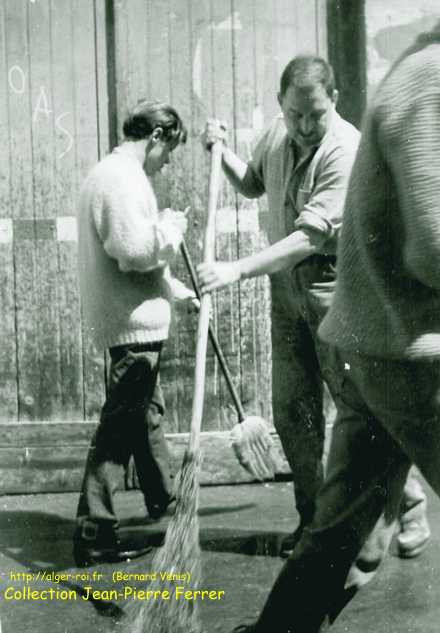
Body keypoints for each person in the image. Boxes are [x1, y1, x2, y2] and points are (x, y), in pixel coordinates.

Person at [226, 24, 440, 632]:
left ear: (333, 101)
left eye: (311, 114)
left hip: (373, 336)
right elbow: (433, 246)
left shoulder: (375, 113)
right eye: (293, 114)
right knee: (331, 479)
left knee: (340, 520)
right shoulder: (432, 82)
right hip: (404, 345)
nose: (301, 125)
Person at [74, 100, 195, 566]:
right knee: (122, 426)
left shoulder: (108, 173)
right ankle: (95, 529)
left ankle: (164, 503)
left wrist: (175, 290)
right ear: (158, 136)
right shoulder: (122, 178)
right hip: (132, 325)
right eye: (170, 150)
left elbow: (131, 261)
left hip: (129, 317)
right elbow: (132, 250)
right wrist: (171, 230)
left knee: (146, 415)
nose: (168, 162)